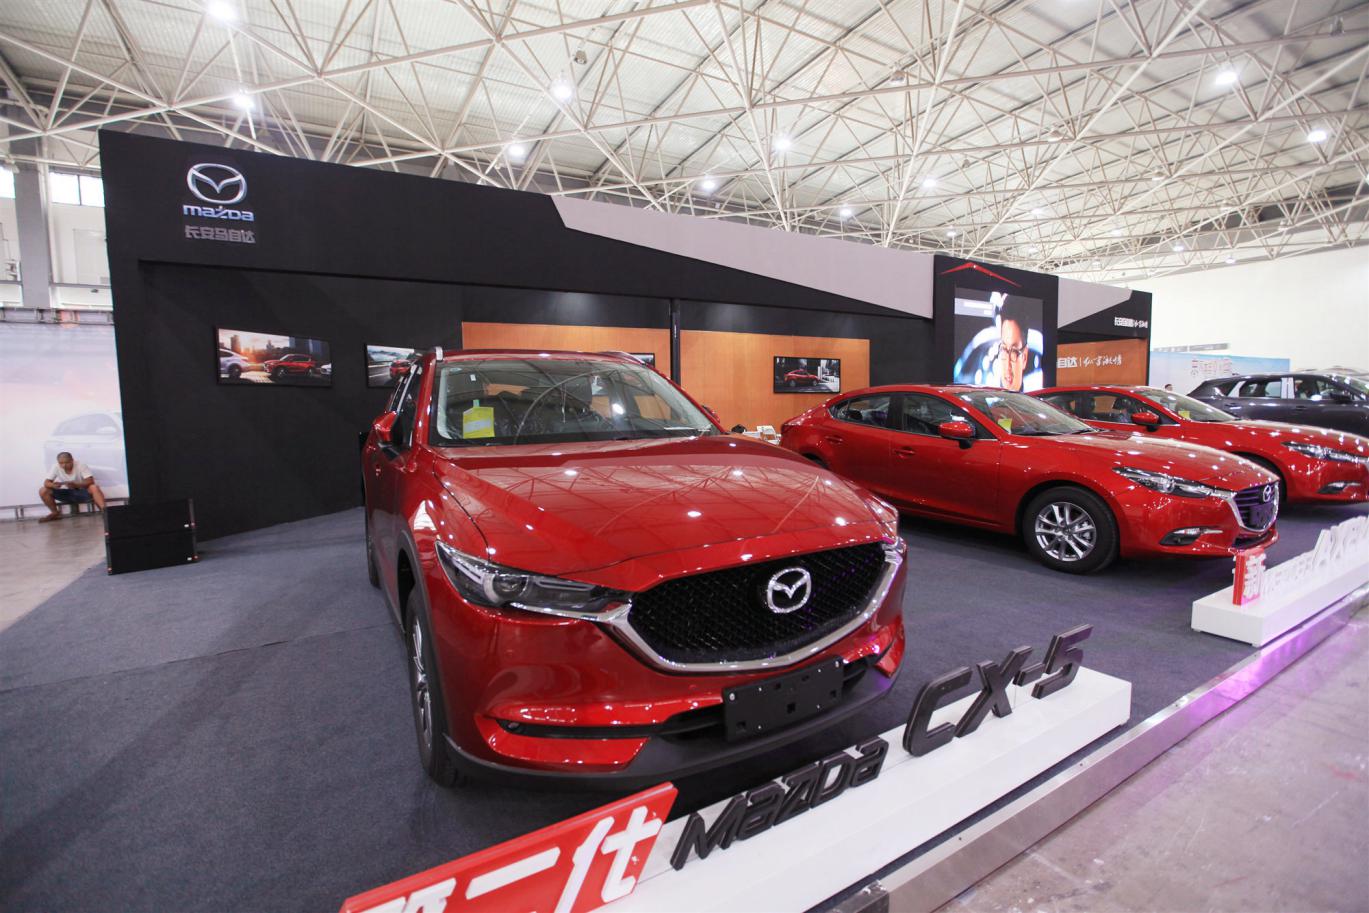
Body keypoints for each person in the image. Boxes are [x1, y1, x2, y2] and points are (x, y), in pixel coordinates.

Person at [39, 451, 106, 522]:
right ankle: (55, 513)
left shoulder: (81, 465)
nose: (64, 465)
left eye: (67, 462)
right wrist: (53, 485)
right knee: (43, 490)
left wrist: (76, 484)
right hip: (66, 493)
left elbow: (90, 481)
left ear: (72, 460)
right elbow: (46, 483)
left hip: (81, 492)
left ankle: (104, 511)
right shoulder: (55, 467)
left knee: (94, 487)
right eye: (61, 463)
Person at [994, 297, 1034, 392]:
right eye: (1004, 350)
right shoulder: (985, 399)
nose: (1007, 365)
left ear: (1024, 357)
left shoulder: (1034, 400)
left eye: (1014, 352)